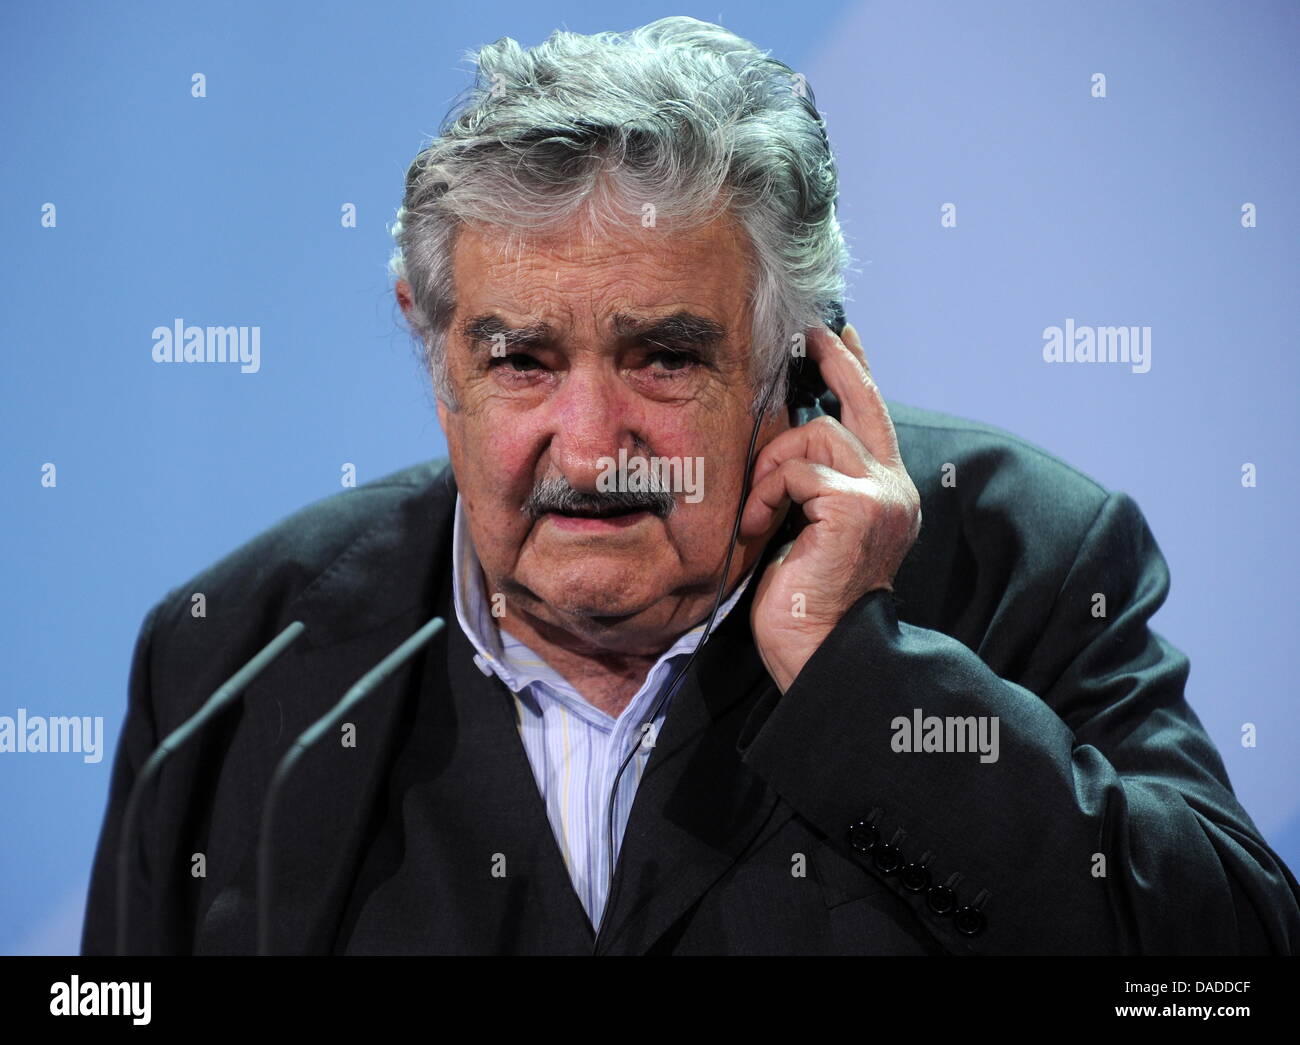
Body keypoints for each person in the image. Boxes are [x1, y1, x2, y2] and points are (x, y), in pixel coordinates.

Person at [83, 16, 1300, 955]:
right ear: (432, 342)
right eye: (520, 360)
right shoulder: (235, 667)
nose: (592, 441)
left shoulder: (1014, 559)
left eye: (663, 355)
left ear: (802, 360)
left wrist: (855, 671)